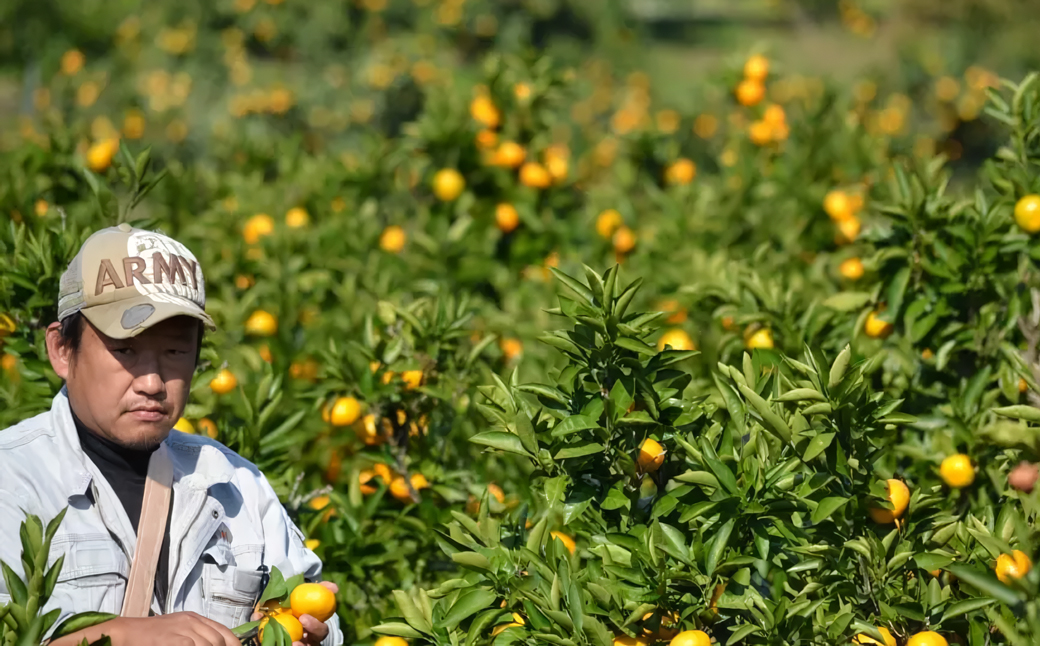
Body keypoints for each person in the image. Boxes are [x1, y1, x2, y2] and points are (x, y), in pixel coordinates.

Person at [0, 224, 343, 646]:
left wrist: (305, 634)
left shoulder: (236, 486)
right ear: (61, 350)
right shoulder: (13, 481)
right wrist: (121, 636)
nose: (152, 382)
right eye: (125, 350)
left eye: (176, 351)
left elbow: (317, 617)